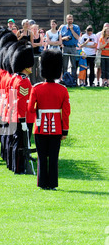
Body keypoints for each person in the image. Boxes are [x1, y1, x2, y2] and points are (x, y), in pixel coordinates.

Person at [28, 50, 71, 190]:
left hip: (40, 128)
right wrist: (65, 130)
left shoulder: (37, 88)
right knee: (53, 157)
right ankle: (52, 184)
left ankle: (42, 183)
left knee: (41, 157)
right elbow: (66, 112)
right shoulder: (62, 90)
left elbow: (30, 109)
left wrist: (38, 110)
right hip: (56, 128)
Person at [6, 42, 35, 174]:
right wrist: (22, 119)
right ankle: (19, 168)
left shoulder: (15, 78)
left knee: (16, 142)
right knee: (22, 144)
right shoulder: (24, 81)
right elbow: (22, 102)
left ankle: (14, 166)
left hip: (13, 114)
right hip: (22, 116)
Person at [60, 14, 81, 82]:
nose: (70, 21)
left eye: (71, 19)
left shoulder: (76, 27)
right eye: (68, 19)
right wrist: (64, 38)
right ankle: (65, 79)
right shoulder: (63, 27)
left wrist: (72, 30)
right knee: (64, 65)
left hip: (73, 48)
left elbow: (77, 37)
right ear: (66, 20)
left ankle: (74, 80)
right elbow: (60, 38)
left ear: (73, 20)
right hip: (65, 47)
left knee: (74, 65)